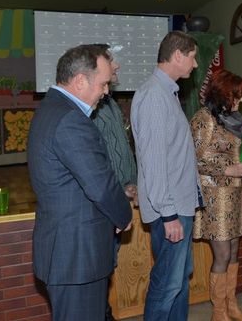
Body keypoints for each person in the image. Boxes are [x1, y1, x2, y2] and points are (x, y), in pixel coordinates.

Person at [27, 45, 132, 321]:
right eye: (104, 83)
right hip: (77, 256)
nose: (106, 91)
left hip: (70, 252)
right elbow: (100, 185)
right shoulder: (70, 119)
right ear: (80, 81)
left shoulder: (53, 109)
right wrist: (123, 214)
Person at [130, 31, 201, 321]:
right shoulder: (154, 96)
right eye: (193, 57)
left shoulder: (166, 93)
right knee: (167, 285)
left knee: (178, 282)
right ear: (178, 56)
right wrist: (169, 214)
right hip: (169, 210)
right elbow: (154, 161)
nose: (195, 65)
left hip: (177, 205)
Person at [190, 70, 242, 321]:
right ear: (223, 94)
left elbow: (231, 153)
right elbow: (194, 159)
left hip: (233, 194)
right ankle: (219, 313)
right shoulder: (203, 118)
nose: (241, 100)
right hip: (214, 195)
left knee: (233, 251)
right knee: (222, 254)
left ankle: (232, 307)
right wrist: (228, 169)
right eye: (237, 95)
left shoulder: (231, 119)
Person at [92, 47, 138, 321]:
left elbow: (121, 149)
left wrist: (131, 182)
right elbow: (97, 160)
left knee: (108, 265)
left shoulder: (108, 102)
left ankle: (104, 312)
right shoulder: (92, 108)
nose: (117, 66)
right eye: (112, 61)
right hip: (106, 199)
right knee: (100, 266)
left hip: (121, 193)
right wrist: (118, 188)